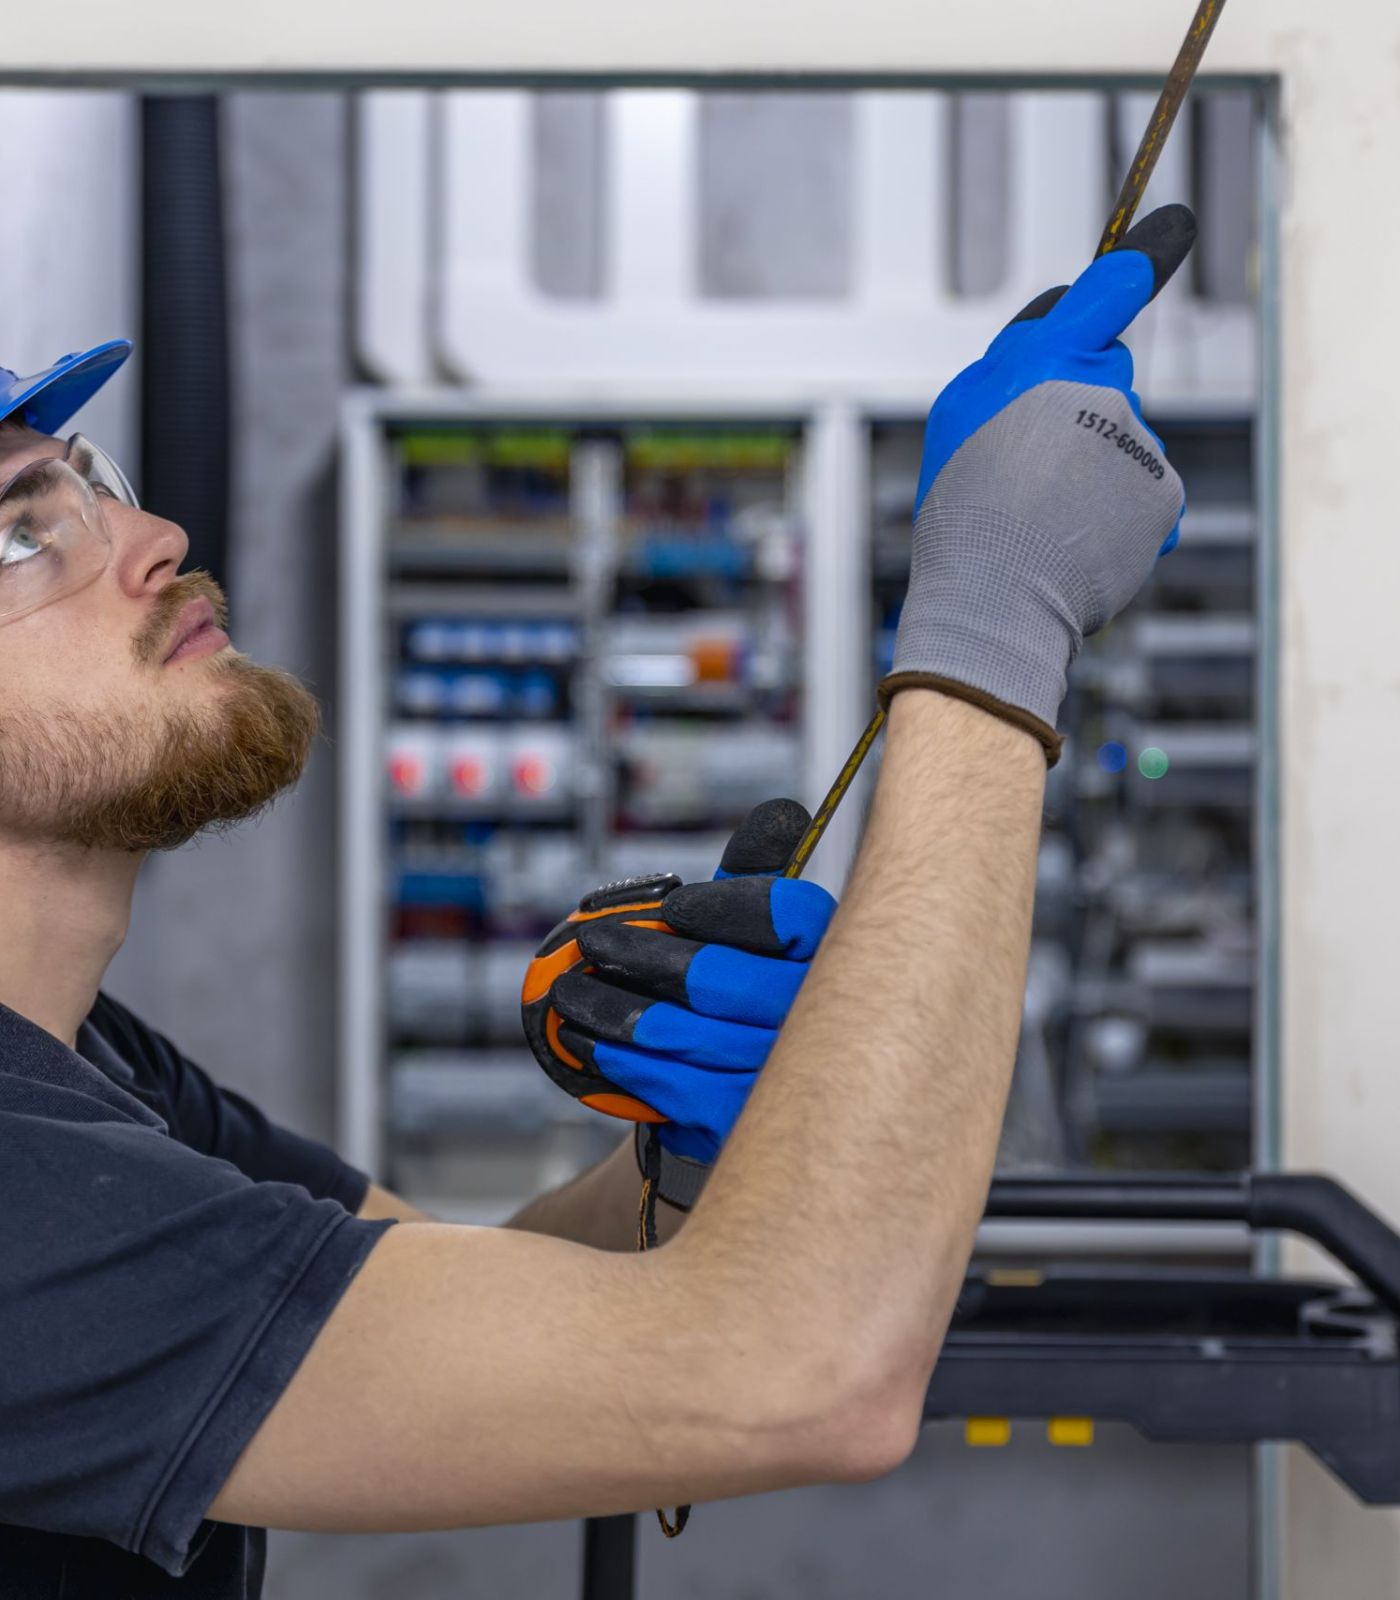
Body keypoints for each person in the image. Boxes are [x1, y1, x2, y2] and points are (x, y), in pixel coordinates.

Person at [0, 204, 1194, 1600]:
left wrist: (694, 1156)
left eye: (94, 481)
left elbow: (437, 1307)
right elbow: (806, 1376)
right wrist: (998, 616)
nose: (157, 535)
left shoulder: (90, 1068)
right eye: (22, 537)